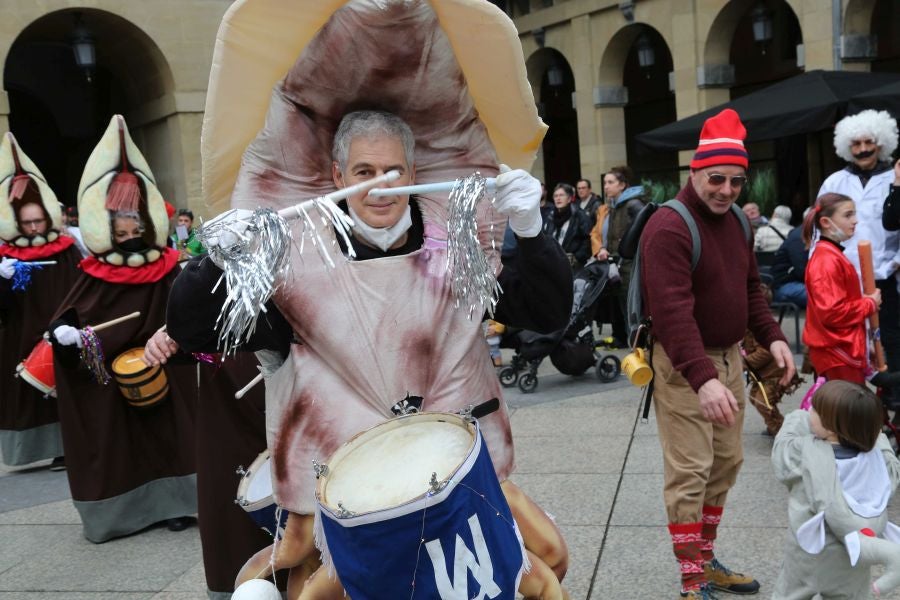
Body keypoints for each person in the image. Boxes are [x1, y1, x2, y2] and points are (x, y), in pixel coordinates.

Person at [168, 110, 573, 598]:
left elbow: (547, 314)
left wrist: (531, 231)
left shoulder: (458, 252)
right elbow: (194, 331)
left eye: (393, 171)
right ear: (337, 176)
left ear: (413, 173)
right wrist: (214, 262)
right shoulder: (294, 267)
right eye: (363, 172)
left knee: (544, 563)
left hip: (457, 485)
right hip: (345, 506)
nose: (380, 185)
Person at [639, 108, 795, 599]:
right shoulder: (670, 227)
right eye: (716, 179)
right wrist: (703, 378)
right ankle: (691, 581)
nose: (727, 190)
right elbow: (671, 313)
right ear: (695, 173)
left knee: (726, 463)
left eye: (736, 181)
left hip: (729, 358)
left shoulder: (738, 224)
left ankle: (705, 560)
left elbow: (750, 290)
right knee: (690, 471)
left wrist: (773, 337)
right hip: (684, 364)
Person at [48, 115, 197, 543]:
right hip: (109, 379)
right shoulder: (93, 273)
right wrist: (67, 336)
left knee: (176, 434)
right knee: (121, 441)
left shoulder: (171, 268)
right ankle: (124, 511)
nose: (131, 237)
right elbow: (69, 317)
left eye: (137, 230)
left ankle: (180, 503)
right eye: (122, 231)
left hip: (170, 368)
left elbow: (191, 311)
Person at [772, 381, 900, 599]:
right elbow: (892, 465)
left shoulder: (805, 453)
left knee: (793, 593)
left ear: (830, 427)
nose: (809, 411)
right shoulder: (879, 463)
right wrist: (871, 431)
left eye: (814, 409)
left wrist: (795, 416)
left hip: (808, 558)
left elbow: (781, 452)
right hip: (853, 560)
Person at [0, 133, 81, 469]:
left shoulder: (66, 249)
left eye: (38, 220)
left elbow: (81, 285)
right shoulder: (7, 256)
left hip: (60, 327)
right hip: (21, 333)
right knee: (31, 392)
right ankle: (39, 449)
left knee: (68, 389)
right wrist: (1, 281)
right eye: (27, 222)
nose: (33, 227)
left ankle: (69, 447)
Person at [818, 110, 900, 387]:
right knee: (850, 347)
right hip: (843, 280)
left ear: (881, 142)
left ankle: (896, 414)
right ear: (846, 146)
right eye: (856, 143)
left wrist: (896, 262)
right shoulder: (834, 182)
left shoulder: (895, 179)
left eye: (869, 142)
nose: (863, 149)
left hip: (885, 278)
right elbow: (820, 229)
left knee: (890, 345)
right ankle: (854, 408)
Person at [802, 193, 881, 384]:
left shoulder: (831, 254)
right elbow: (832, 313)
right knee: (846, 411)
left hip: (842, 348)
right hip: (836, 352)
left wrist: (862, 345)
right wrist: (869, 303)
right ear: (826, 222)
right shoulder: (826, 260)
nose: (855, 221)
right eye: (848, 215)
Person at [591, 165, 647, 348]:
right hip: (621, 264)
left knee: (634, 308)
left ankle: (641, 346)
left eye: (610, 182)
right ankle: (635, 344)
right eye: (605, 182)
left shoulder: (633, 204)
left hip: (631, 265)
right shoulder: (616, 206)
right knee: (625, 306)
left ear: (622, 185)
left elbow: (644, 232)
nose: (606, 186)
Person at [545, 182, 591, 271]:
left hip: (574, 267)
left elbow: (587, 240)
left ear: (569, 199)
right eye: (555, 196)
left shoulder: (580, 216)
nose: (558, 198)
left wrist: (576, 258)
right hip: (553, 264)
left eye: (561, 195)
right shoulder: (550, 217)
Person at [770, 209, 809, 309]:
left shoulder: (806, 235)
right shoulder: (799, 238)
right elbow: (803, 270)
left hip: (795, 283)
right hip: (784, 286)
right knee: (824, 295)